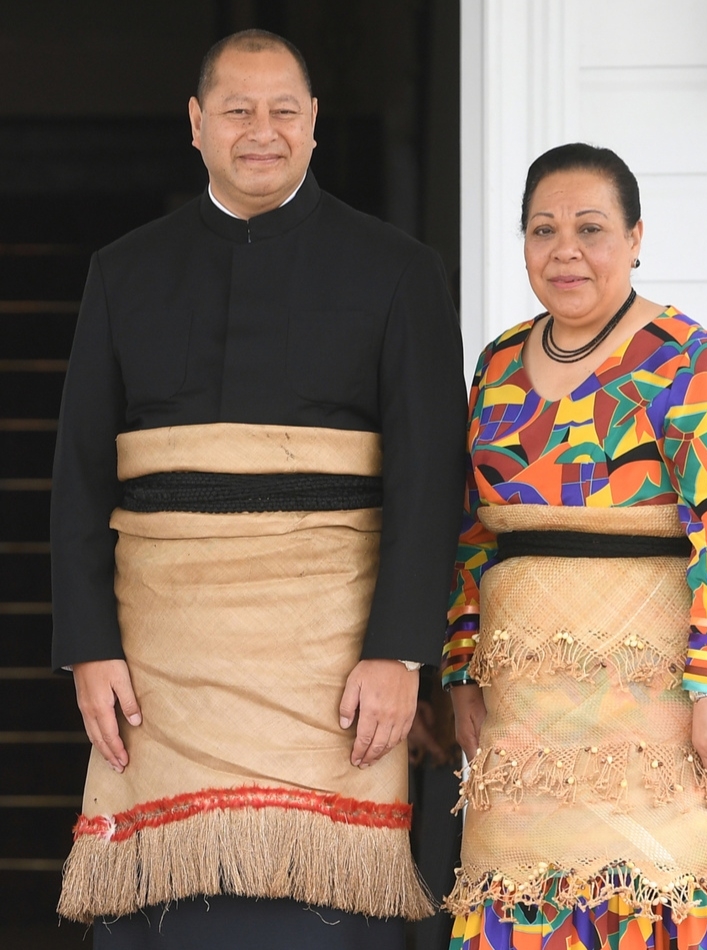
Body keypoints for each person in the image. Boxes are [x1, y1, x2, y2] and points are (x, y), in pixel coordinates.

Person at [50, 28, 466, 949]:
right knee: (164, 912)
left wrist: (400, 655)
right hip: (161, 664)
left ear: (315, 123)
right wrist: (88, 647)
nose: (262, 131)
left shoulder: (401, 271)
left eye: (284, 110)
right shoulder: (123, 272)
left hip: (334, 662)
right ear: (196, 125)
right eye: (237, 110)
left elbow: (432, 477)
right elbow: (79, 478)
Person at [442, 143, 707, 950]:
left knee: (659, 899)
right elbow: (471, 529)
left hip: (660, 705)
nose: (564, 250)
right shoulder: (497, 364)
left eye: (590, 228)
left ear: (636, 238)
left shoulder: (687, 359)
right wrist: (462, 667)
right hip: (527, 715)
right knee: (522, 889)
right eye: (543, 229)